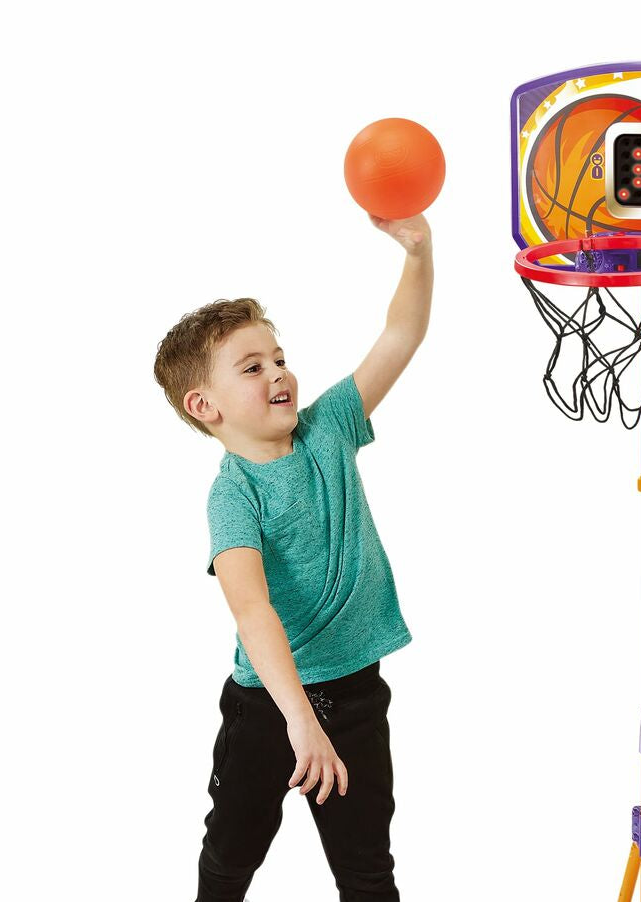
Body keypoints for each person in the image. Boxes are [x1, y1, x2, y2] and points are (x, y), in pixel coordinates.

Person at [152, 214, 433, 902]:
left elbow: (401, 334)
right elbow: (252, 612)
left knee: (367, 868)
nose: (278, 372)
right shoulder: (233, 496)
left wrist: (418, 253)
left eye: (279, 358)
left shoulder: (329, 427)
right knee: (231, 856)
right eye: (253, 368)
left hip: (356, 693)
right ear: (205, 405)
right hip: (268, 707)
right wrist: (299, 720)